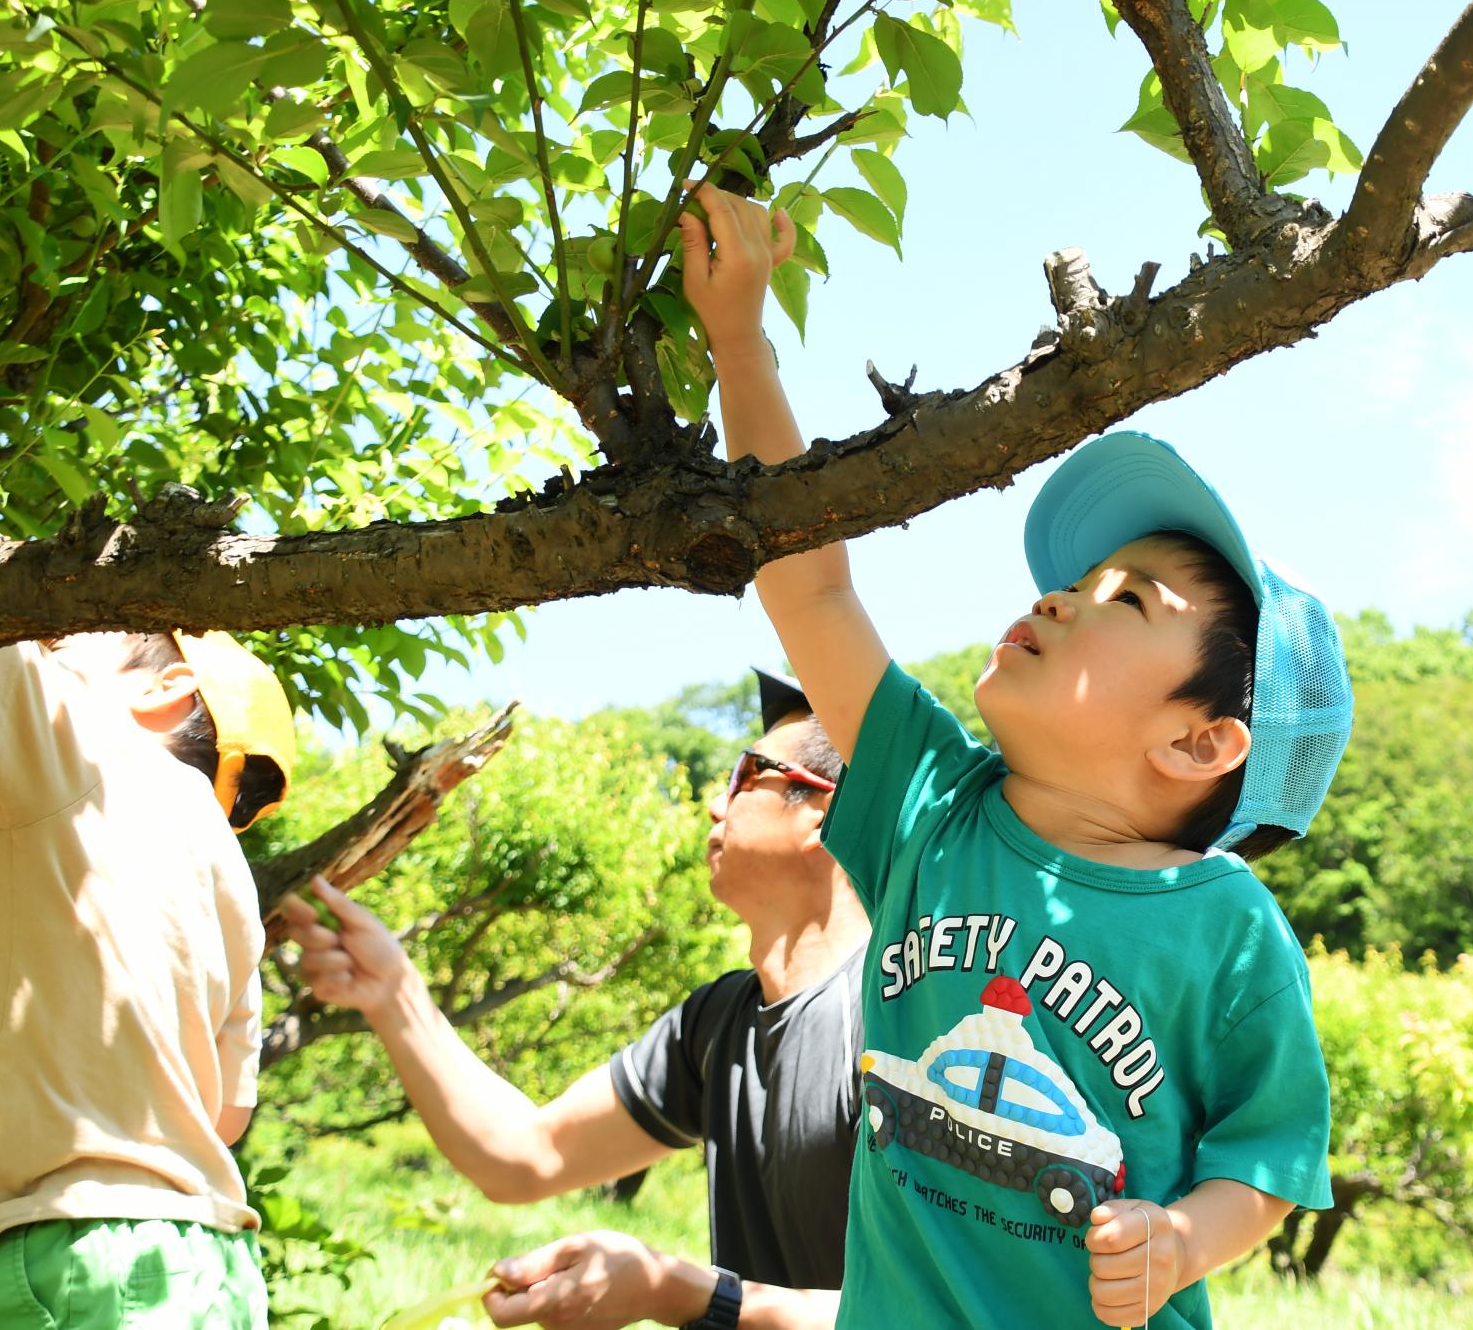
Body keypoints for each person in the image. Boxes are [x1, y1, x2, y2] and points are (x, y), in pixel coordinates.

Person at [677, 184, 1350, 1328]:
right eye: (1075, 578)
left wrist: (1183, 1239)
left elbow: (1269, 1150)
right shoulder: (930, 803)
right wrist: (740, 342)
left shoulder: (1226, 928)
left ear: (1198, 741)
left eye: (1126, 599)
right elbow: (811, 586)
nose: (1058, 596)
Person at [282, 670, 868, 1329]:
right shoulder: (716, 1024)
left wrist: (680, 1292)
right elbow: (524, 1157)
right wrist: (392, 991)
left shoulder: (901, 1015)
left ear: (823, 813)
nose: (714, 804)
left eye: (743, 775)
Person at [0, 630, 298, 1328]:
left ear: (165, 686)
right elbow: (226, 1114)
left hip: (75, 1248)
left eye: (68, 635)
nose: (45, 639)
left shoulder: (84, 746)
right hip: (208, 1260)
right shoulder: (231, 881)